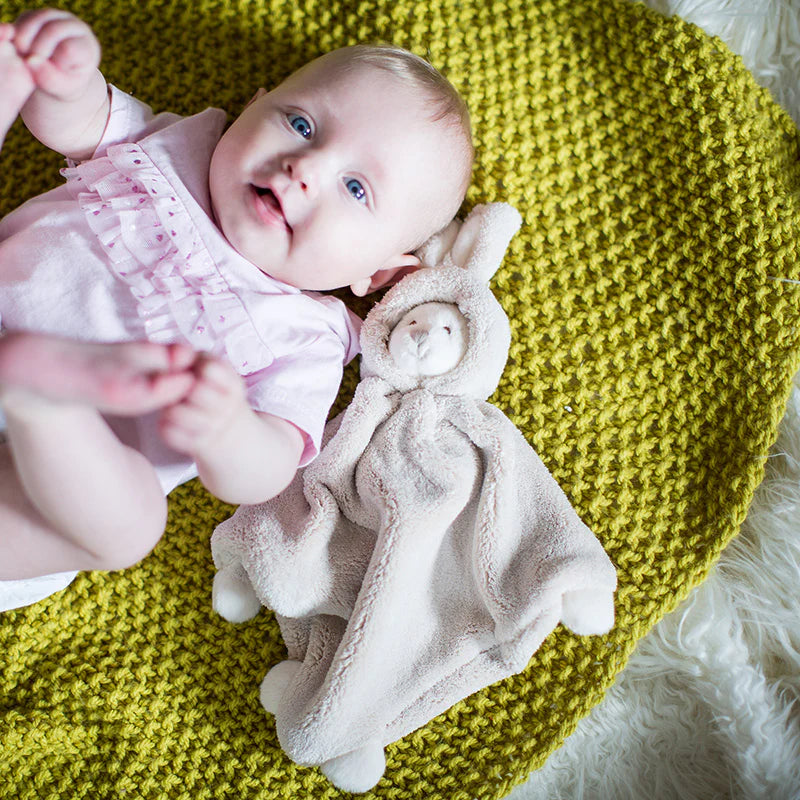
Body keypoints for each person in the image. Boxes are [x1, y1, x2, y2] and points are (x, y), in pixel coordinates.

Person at [0, 8, 474, 610]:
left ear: (375, 274)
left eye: (356, 189)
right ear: (253, 107)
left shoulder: (307, 338)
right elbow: (76, 119)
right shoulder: (176, 144)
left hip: (52, 475)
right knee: (132, 524)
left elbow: (266, 468)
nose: (305, 167)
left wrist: (228, 431)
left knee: (133, 520)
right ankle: (12, 73)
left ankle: (44, 398)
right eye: (301, 124)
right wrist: (66, 82)